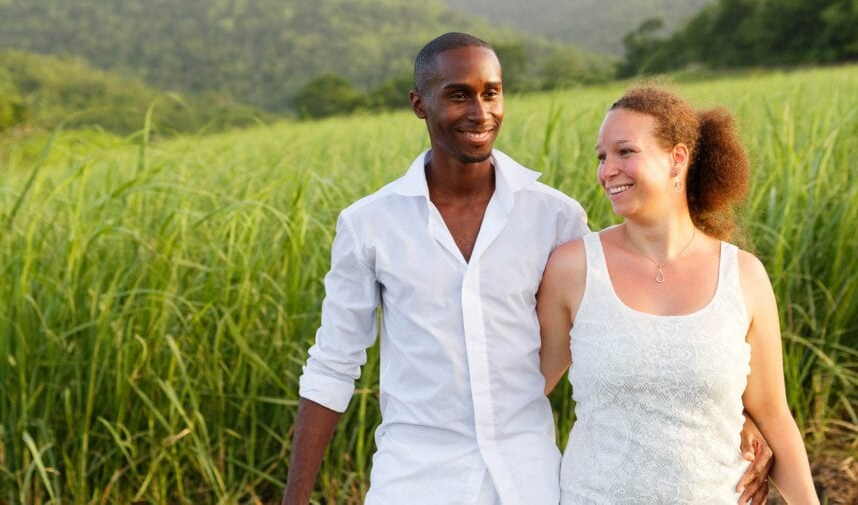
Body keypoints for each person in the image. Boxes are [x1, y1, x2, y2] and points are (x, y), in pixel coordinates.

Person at [283, 34, 774, 504]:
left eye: (491, 93)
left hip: (529, 476)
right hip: (414, 477)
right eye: (458, 95)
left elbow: (626, 333)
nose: (480, 112)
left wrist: (734, 414)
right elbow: (332, 365)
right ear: (419, 104)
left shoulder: (555, 217)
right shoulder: (369, 224)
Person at [538, 85, 818, 504]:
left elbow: (774, 415)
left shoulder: (743, 275)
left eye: (625, 152)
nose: (606, 170)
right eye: (602, 156)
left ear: (678, 159)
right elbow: (523, 388)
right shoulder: (573, 269)